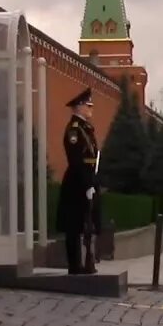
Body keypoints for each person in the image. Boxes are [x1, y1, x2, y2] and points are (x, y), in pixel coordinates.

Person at [56, 89, 100, 275]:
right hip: (77, 182)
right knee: (74, 224)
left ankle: (86, 261)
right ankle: (75, 265)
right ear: (79, 107)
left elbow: (92, 157)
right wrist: (87, 184)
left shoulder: (86, 128)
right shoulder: (74, 129)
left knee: (88, 223)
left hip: (88, 179)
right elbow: (76, 160)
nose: (91, 108)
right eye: (88, 105)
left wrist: (94, 180)